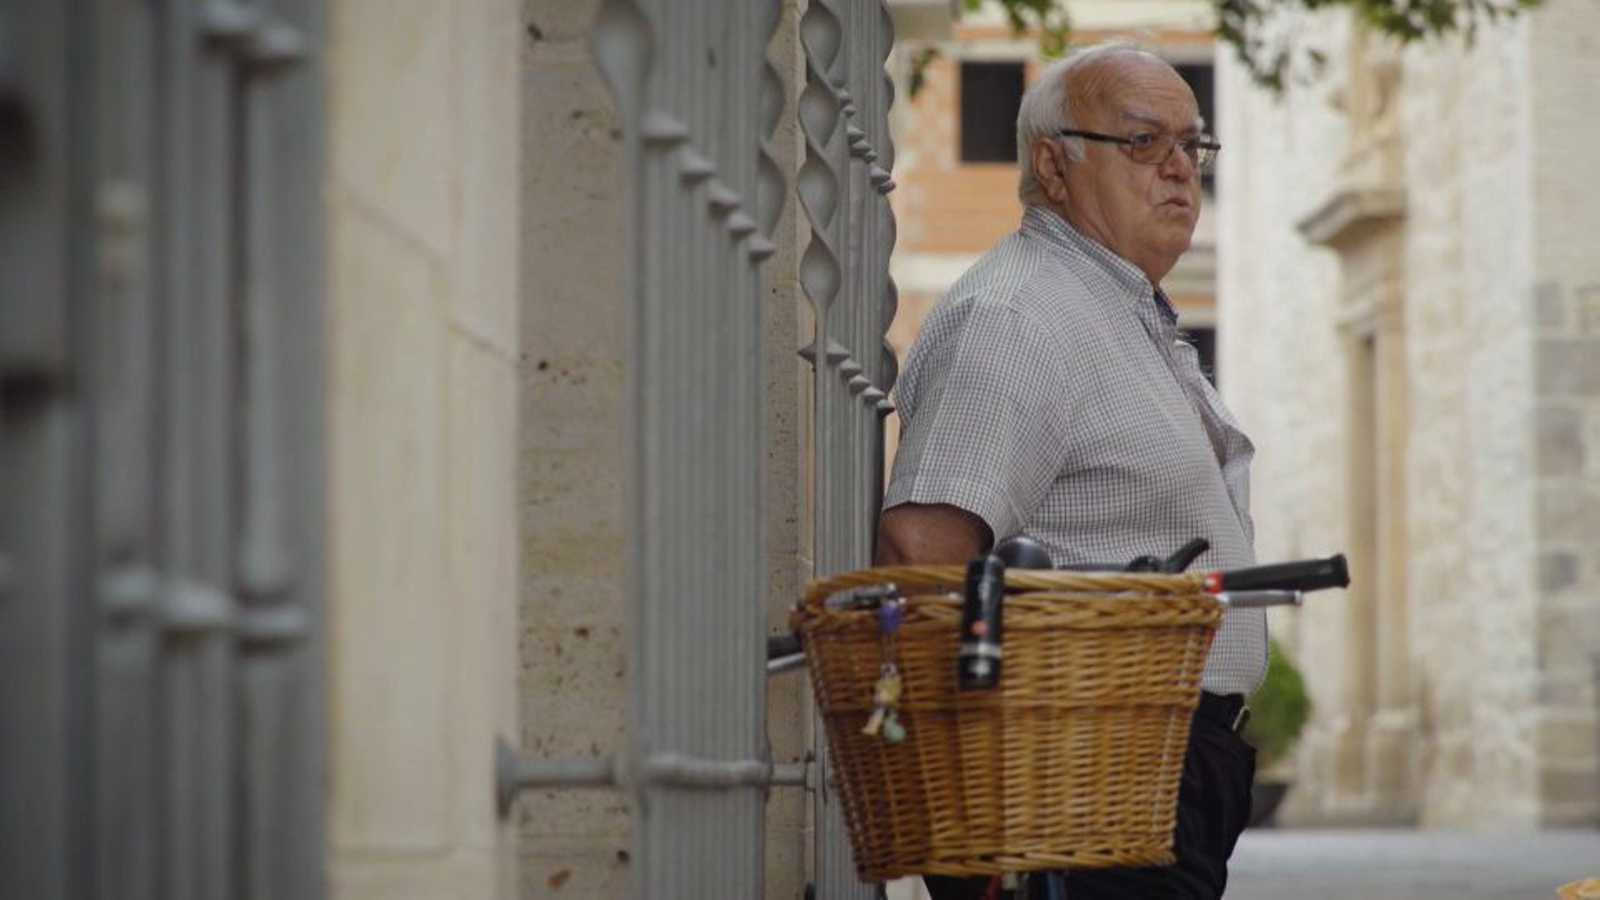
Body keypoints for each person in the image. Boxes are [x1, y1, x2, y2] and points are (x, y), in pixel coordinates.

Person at [876, 43, 1263, 900]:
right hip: (1074, 784)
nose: (1178, 169)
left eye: (1192, 145)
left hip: (1153, 773)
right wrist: (987, 819)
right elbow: (923, 546)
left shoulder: (1112, 305)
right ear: (1053, 165)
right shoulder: (1018, 317)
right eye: (1141, 142)